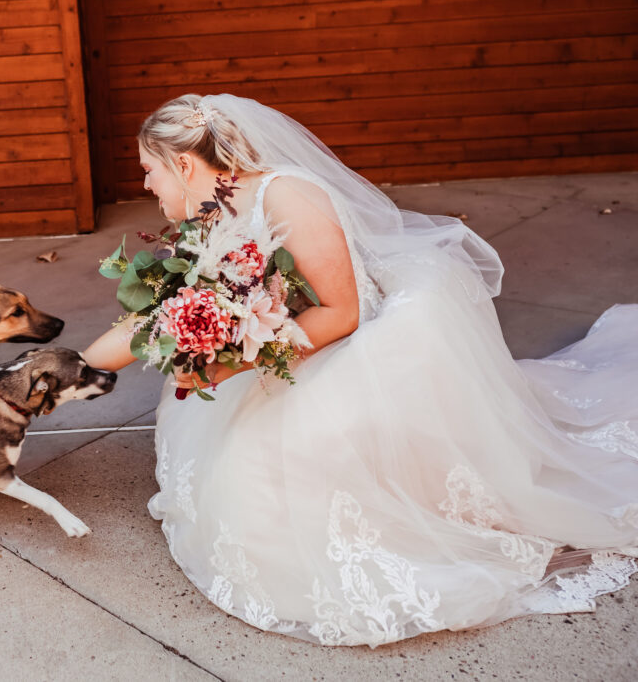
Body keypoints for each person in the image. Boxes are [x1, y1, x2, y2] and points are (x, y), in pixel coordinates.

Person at [82, 93, 638, 647]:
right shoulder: (204, 214)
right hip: (281, 335)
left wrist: (225, 370)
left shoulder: (289, 194)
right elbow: (156, 318)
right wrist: (62, 370)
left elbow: (341, 313)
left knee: (268, 476)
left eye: (149, 171)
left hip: (359, 338)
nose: (147, 186)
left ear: (183, 164)